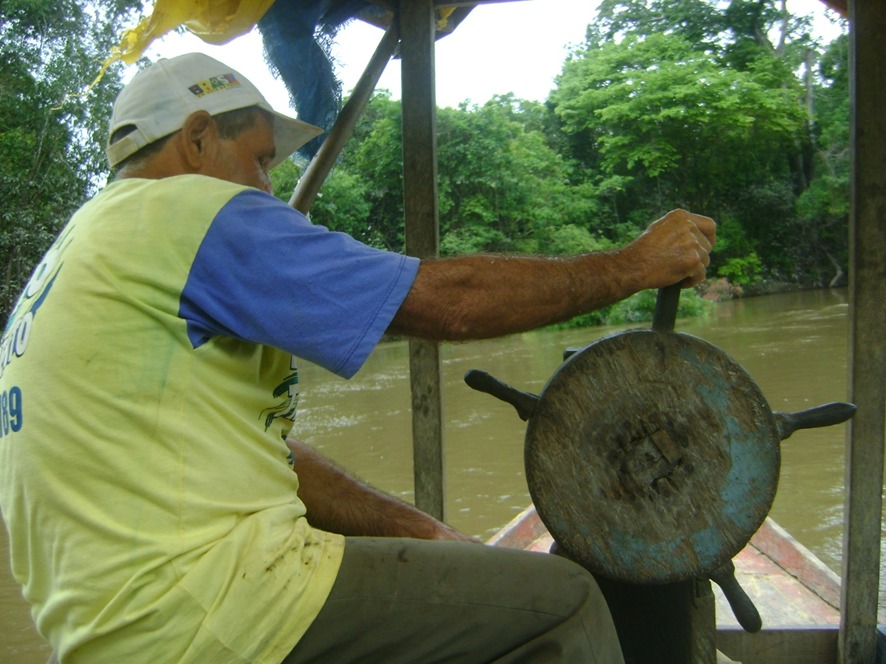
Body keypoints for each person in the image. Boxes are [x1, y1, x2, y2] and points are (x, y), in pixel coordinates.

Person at [0, 53, 715, 663]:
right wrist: (630, 266)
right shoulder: (184, 212)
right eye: (258, 159)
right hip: (213, 606)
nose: (267, 188)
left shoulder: (72, 259)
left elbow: (270, 458)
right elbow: (446, 302)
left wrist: (423, 532)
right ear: (194, 139)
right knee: (565, 604)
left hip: (113, 635)